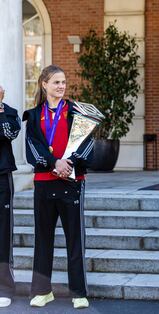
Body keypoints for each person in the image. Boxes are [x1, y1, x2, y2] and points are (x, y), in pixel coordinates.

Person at [23, 65, 93, 309]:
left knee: (75, 240)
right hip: (44, 184)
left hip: (72, 183)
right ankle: (42, 291)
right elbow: (32, 148)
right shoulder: (33, 116)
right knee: (43, 239)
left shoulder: (77, 111)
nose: (61, 86)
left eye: (63, 82)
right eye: (56, 82)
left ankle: (79, 292)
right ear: (44, 84)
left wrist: (69, 163)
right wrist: (55, 163)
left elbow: (87, 145)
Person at [0, 85, 21, 307]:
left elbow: (10, 132)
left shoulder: (10, 112)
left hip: (2, 178)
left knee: (3, 232)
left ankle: (4, 287)